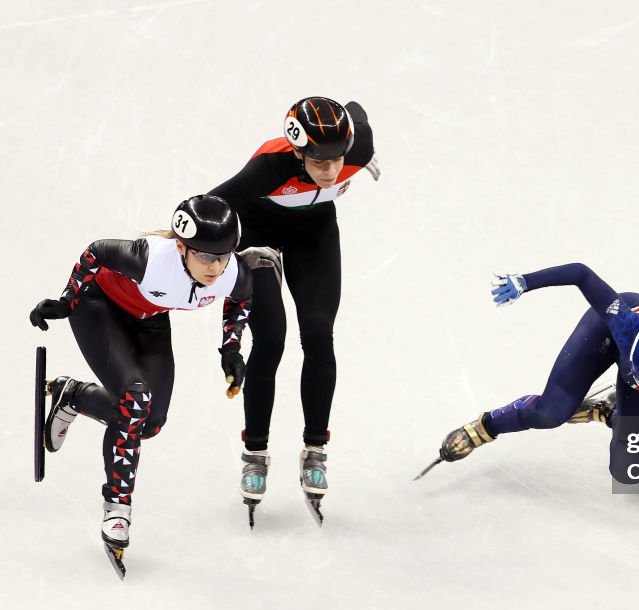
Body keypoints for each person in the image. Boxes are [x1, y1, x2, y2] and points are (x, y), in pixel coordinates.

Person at [435, 263, 639, 552]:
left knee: (627, 471)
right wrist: (524, 282)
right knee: (550, 412)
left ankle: (610, 412)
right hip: (606, 334)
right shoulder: (626, 323)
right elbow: (581, 274)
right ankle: (487, 426)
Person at [28, 195, 278, 556]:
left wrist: (232, 350)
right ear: (181, 247)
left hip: (149, 318)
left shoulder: (233, 272)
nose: (214, 267)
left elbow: (240, 302)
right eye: (205, 256)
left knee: (148, 424)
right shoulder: (151, 259)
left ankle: (74, 396)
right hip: (99, 306)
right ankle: (117, 508)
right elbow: (96, 252)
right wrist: (67, 300)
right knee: (135, 398)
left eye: (222, 256)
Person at [207, 96, 379, 512]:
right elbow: (209, 207)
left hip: (313, 236)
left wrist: (363, 157)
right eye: (319, 162)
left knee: (319, 335)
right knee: (271, 341)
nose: (331, 170)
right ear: (298, 152)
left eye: (337, 160)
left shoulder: (357, 146)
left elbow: (356, 110)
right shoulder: (268, 167)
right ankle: (256, 453)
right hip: (257, 239)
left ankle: (315, 449)